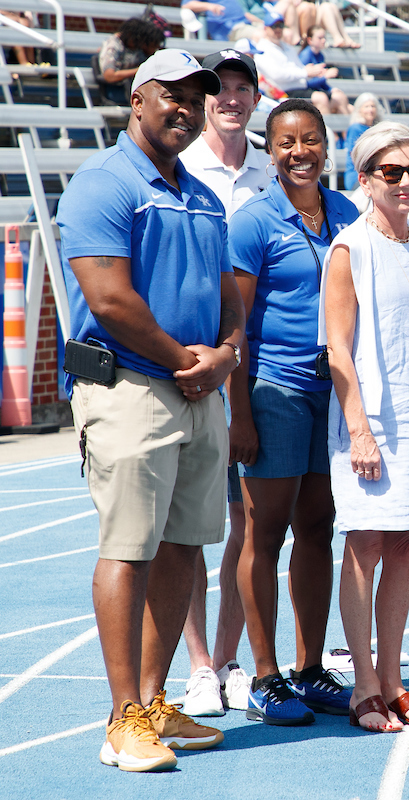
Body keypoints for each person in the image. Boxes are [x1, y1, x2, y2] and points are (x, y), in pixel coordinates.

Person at [56, 48, 237, 772]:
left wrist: (223, 355)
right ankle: (121, 716)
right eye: (174, 94)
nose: (188, 107)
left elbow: (230, 297)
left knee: (184, 546)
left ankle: (156, 700)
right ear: (138, 99)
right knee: (128, 548)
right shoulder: (103, 182)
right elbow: (108, 298)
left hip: (194, 387)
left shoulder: (202, 195)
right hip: (131, 386)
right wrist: (185, 360)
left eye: (200, 95)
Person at [228, 98, 360, 726]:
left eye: (310, 140)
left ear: (326, 146)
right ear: (270, 150)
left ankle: (309, 670)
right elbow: (236, 326)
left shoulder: (348, 213)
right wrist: (240, 414)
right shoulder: (254, 222)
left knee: (318, 529)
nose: (299, 152)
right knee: (266, 533)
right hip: (274, 390)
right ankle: (263, 676)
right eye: (286, 143)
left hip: (332, 391)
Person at [321, 121, 409, 733]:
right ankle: (364, 686)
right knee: (365, 546)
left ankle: (395, 680)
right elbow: (338, 352)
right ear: (366, 179)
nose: (405, 183)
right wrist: (361, 431)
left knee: (406, 545)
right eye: (391, 173)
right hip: (371, 420)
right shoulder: (349, 248)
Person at [176, 48, 273, 718]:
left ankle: (232, 657)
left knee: (250, 522)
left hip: (261, 366)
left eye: (243, 88)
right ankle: (198, 665)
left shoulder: (274, 168)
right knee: (186, 524)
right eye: (221, 89)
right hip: (191, 364)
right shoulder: (179, 165)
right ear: (205, 99)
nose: (231, 98)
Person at [254, 12, 339, 116]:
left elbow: (300, 69)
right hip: (282, 92)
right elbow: (277, 75)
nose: (278, 29)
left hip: (299, 87)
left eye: (280, 26)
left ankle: (342, 132)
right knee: (321, 98)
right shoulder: (262, 49)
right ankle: (327, 132)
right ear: (266, 28)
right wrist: (305, 72)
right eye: (274, 26)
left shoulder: (287, 47)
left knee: (338, 97)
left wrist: (315, 72)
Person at [96, 17, 165, 105]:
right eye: (139, 40)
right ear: (130, 36)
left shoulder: (136, 48)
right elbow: (110, 76)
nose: (140, 44)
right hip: (117, 89)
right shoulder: (113, 46)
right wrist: (140, 70)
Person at [297, 26, 352, 114]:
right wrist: (325, 76)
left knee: (341, 98)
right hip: (307, 92)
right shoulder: (305, 56)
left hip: (317, 90)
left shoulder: (320, 55)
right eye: (320, 38)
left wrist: (330, 89)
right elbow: (304, 83)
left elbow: (321, 82)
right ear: (310, 40)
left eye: (324, 38)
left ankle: (344, 127)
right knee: (330, 99)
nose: (323, 40)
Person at [343, 92, 385, 189]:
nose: (370, 110)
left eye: (372, 106)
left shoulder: (378, 128)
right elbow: (354, 156)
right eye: (366, 106)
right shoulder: (355, 128)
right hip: (358, 176)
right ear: (359, 110)